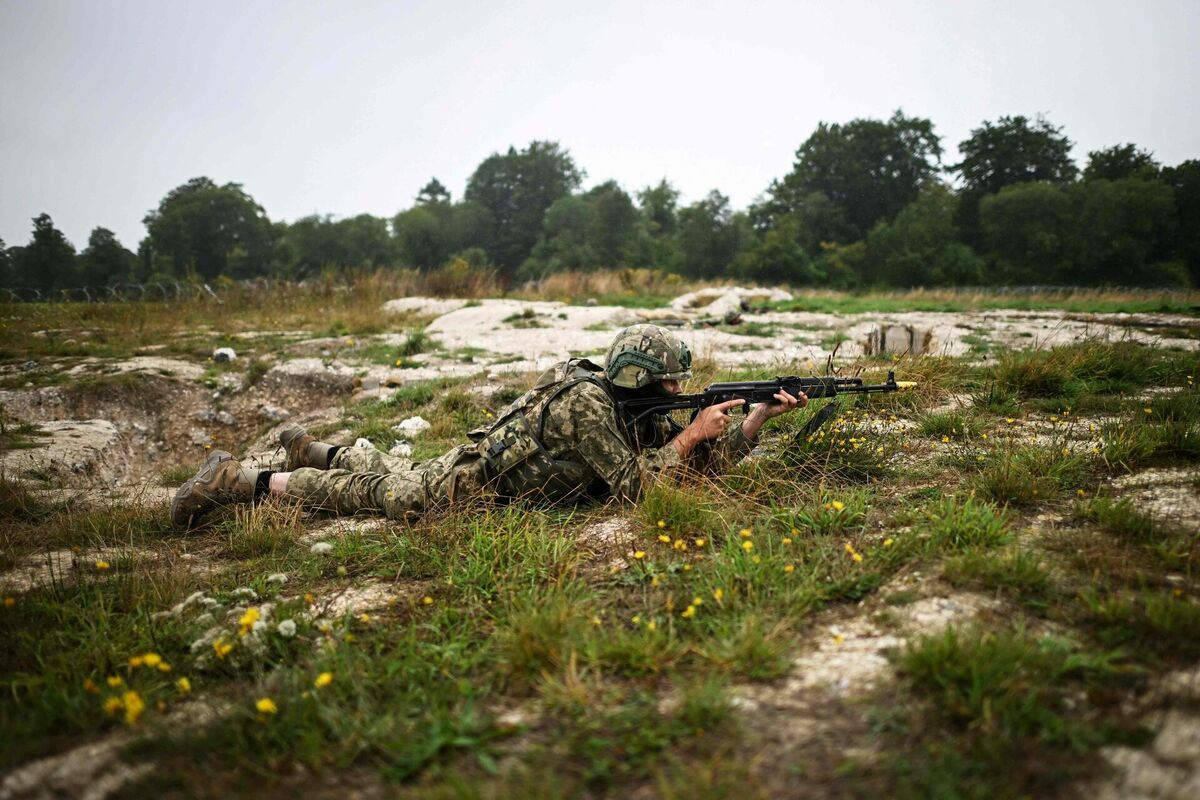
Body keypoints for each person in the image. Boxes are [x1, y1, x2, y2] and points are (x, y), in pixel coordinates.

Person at [170, 324, 806, 528]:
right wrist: (693, 434)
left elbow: (694, 470)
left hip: (485, 472)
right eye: (667, 383)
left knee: (395, 470)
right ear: (638, 377)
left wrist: (752, 420)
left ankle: (319, 448)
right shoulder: (589, 405)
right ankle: (244, 480)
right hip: (473, 488)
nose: (676, 395)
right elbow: (638, 490)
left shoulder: (628, 406)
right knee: (384, 496)